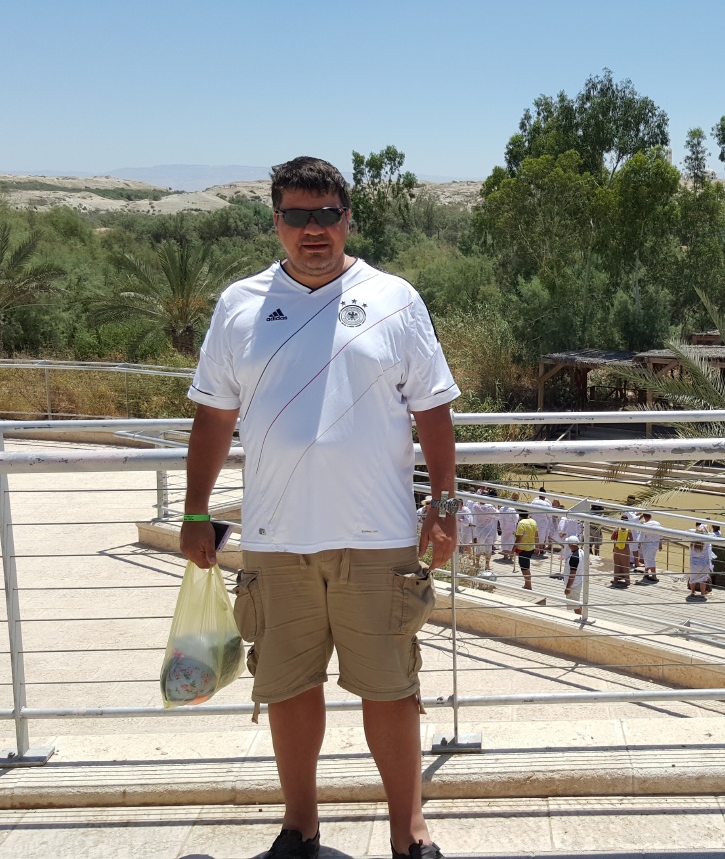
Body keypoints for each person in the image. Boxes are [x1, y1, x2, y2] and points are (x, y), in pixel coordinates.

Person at [179, 157, 454, 859]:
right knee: (288, 686)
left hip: (378, 535)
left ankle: (408, 830)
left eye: (326, 214)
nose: (313, 229)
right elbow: (213, 416)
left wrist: (445, 501)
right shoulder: (239, 305)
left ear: (347, 219)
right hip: (276, 538)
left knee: (390, 689)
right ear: (276, 222)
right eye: (297, 216)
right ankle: (299, 827)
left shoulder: (395, 298)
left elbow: (433, 408)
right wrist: (195, 511)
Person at [686, 525, 715, 600]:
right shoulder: (706, 543)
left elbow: (688, 531)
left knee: (693, 578)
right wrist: (706, 531)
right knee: (703, 579)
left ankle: (692, 592)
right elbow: (712, 535)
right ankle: (702, 593)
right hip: (703, 563)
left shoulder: (692, 543)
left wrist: (696, 531)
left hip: (694, 563)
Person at [514, 510, 538, 591]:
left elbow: (519, 538)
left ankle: (528, 585)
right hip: (531, 547)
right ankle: (527, 584)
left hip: (523, 548)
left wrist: (513, 549)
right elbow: (536, 535)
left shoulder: (521, 523)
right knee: (526, 566)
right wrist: (537, 546)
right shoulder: (533, 521)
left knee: (524, 567)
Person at [636, 511, 661, 583]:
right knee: (648, 559)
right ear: (650, 516)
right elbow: (661, 534)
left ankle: (654, 576)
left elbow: (641, 536)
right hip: (655, 544)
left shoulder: (645, 525)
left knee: (650, 560)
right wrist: (660, 544)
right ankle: (646, 572)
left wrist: (639, 544)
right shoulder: (657, 523)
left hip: (648, 545)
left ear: (644, 517)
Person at [563, 535, 583, 614]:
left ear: (570, 545)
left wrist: (568, 588)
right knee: (576, 603)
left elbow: (572, 574)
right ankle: (582, 615)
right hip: (578, 581)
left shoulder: (574, 557)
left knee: (575, 606)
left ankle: (581, 618)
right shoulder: (581, 552)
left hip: (573, 585)